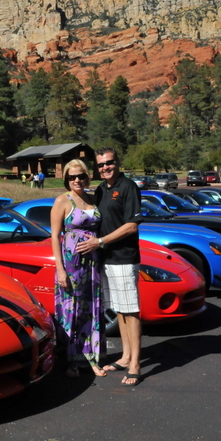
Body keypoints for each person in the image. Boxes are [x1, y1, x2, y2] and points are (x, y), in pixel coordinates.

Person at [77, 147, 144, 386]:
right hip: (106, 259)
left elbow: (132, 225)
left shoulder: (128, 187)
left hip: (124, 258)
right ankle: (125, 357)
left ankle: (135, 364)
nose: (105, 167)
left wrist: (100, 241)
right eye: (101, 164)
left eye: (109, 163)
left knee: (131, 311)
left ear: (117, 162)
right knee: (120, 311)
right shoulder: (101, 189)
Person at [50, 159, 107, 378]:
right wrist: (60, 270)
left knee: (91, 309)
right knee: (72, 311)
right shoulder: (62, 201)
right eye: (72, 177)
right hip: (71, 265)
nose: (77, 180)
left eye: (80, 176)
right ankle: (71, 361)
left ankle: (92, 358)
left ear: (87, 177)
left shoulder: (92, 199)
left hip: (92, 264)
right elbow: (55, 236)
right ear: (66, 179)